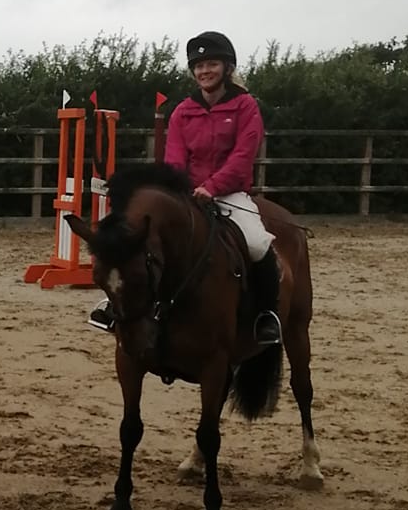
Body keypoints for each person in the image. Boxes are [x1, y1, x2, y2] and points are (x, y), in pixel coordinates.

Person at [89, 30, 282, 347]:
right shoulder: (182, 111)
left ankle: (266, 316)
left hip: (229, 192)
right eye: (199, 66)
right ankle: (119, 306)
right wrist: (180, 190)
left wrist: (212, 186)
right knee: (142, 238)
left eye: (212, 64)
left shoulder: (245, 107)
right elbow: (175, 159)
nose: (205, 71)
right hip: (186, 194)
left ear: (227, 68)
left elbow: (242, 158)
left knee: (258, 244)